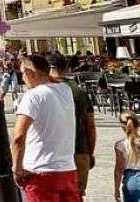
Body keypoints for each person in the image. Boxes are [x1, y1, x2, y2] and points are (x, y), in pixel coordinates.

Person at [11, 53, 78, 201]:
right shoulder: (65, 91)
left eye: (22, 73)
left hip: (40, 171)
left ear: (29, 73)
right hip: (67, 170)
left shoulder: (32, 96)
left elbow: (18, 137)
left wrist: (16, 169)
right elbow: (53, 81)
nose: (22, 78)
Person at [48, 53, 96, 197]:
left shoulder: (45, 90)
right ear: (67, 68)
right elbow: (91, 126)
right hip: (80, 150)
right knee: (76, 195)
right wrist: (90, 153)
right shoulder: (79, 91)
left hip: (53, 154)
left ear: (49, 68)